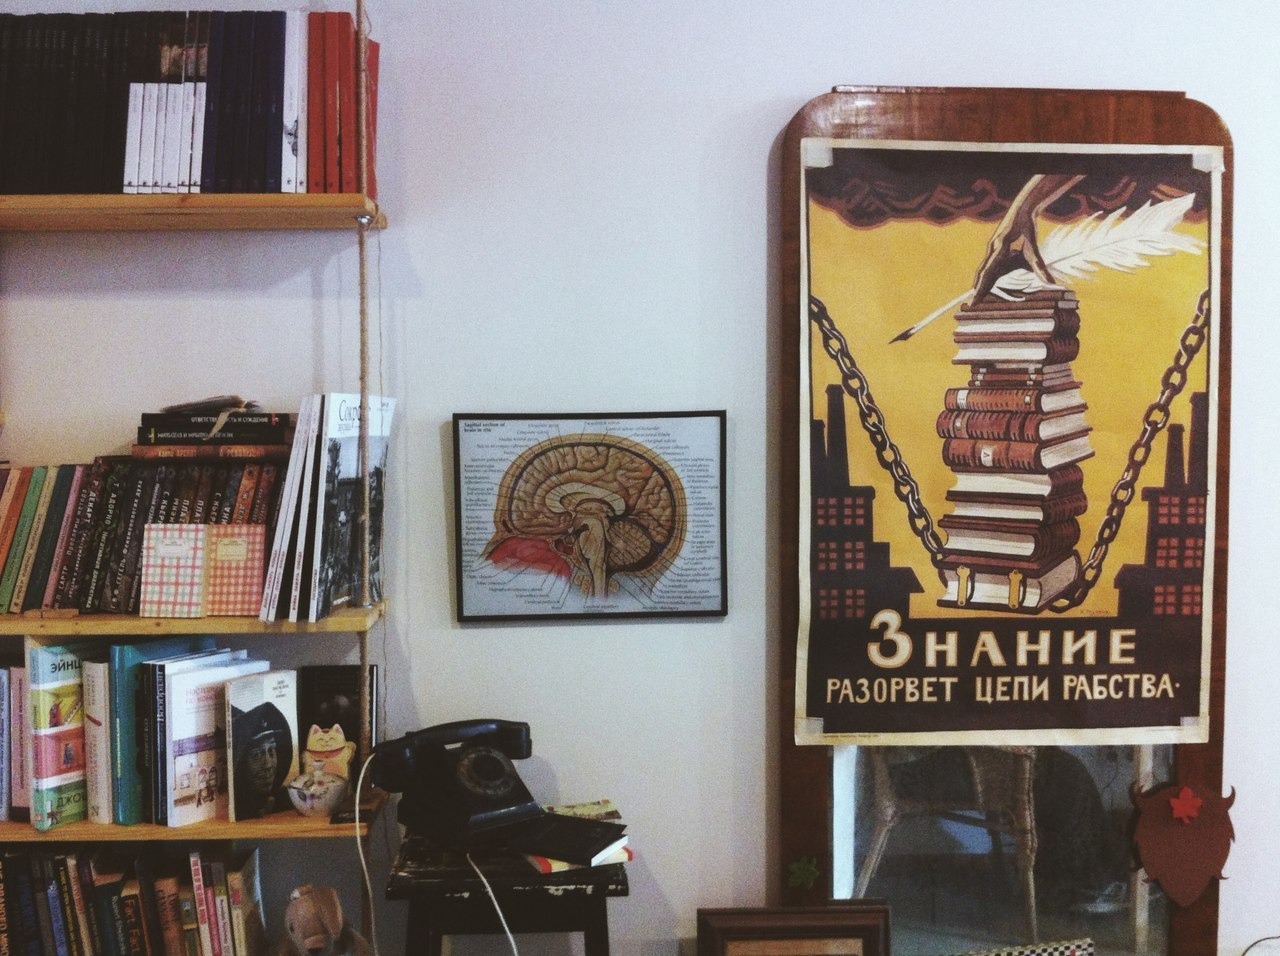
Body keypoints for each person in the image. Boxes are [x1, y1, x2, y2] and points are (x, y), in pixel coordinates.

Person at [231, 702, 294, 818]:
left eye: (271, 751)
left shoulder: (290, 800)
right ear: (242, 764)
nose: (268, 765)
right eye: (256, 755)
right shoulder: (235, 810)